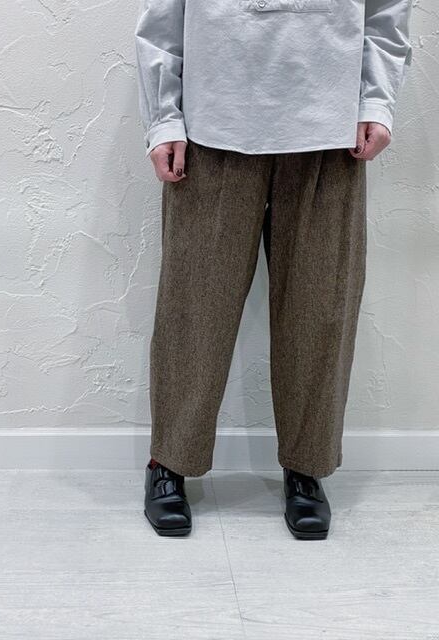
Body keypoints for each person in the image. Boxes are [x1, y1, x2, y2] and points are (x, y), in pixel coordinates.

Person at [134, 0, 413, 539]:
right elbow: (163, 16)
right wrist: (164, 117)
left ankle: (306, 467)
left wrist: (377, 102)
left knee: (320, 308)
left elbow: (387, 11)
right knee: (194, 305)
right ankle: (168, 460)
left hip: (329, 124)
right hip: (213, 120)